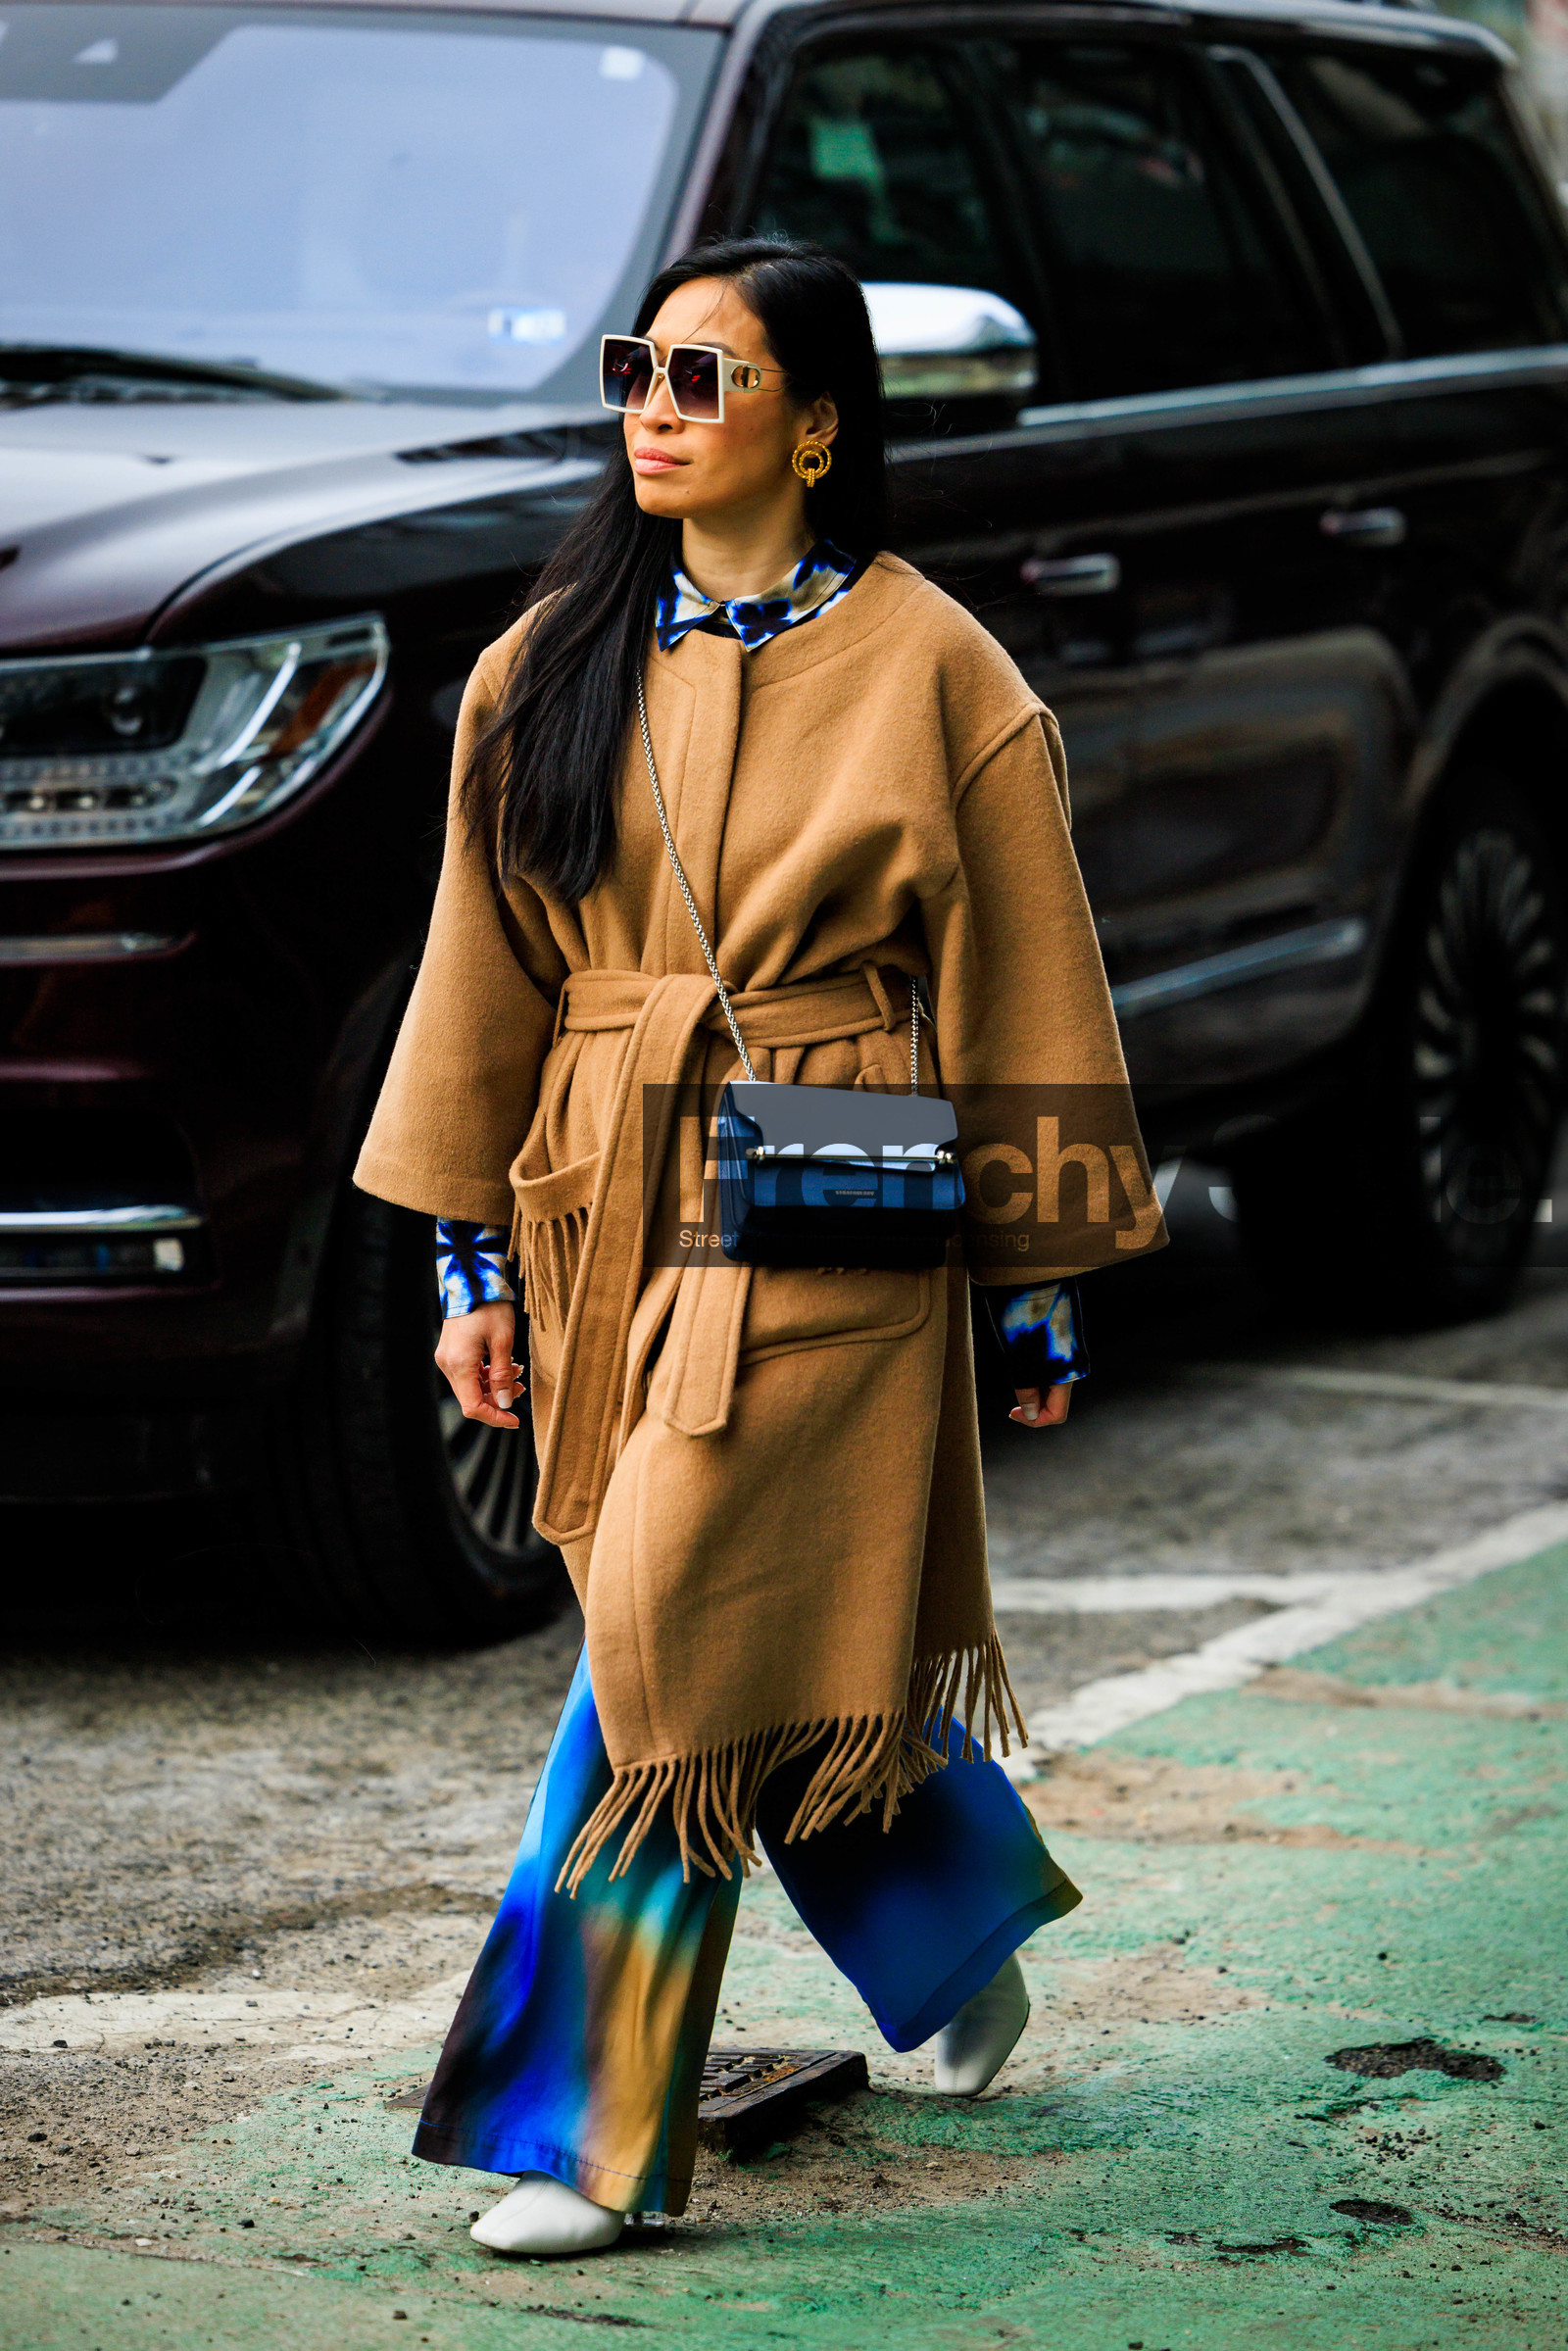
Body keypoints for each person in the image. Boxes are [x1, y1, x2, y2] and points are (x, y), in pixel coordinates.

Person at [355, 237, 1162, 2259]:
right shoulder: (536, 670)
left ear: (814, 421)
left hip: (833, 1186)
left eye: (705, 376)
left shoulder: (935, 666)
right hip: (592, 1196)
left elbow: (1027, 985)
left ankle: (579, 2126)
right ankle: (947, 1924)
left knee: (662, 1624)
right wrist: (469, 1274)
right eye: (641, 365)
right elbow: (478, 989)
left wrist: (1033, 1279)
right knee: (722, 1607)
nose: (654, 402)